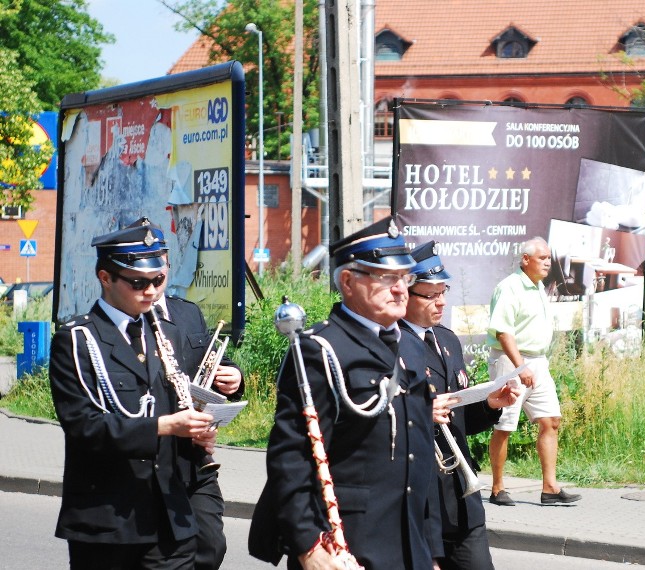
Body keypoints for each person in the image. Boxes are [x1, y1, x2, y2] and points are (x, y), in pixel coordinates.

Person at [249, 216, 442, 570]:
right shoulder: (320, 350)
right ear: (349, 282)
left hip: (407, 547)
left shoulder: (412, 348)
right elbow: (291, 458)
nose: (401, 289)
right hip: (345, 545)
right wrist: (309, 546)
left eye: (406, 278)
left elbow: (418, 459)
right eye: (388, 279)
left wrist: (428, 550)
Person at [49, 220, 216, 569]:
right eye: (138, 283)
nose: (151, 292)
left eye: (157, 280)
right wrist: (165, 426)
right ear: (106, 278)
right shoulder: (78, 340)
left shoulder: (165, 331)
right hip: (108, 521)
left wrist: (198, 430)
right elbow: (84, 427)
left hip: (171, 516)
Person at [400, 241, 519, 570]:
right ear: (404, 294)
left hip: (460, 496)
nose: (441, 302)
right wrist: (423, 412)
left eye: (444, 291)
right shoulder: (389, 344)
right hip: (422, 497)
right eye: (430, 295)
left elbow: (458, 419)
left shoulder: (447, 339)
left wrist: (490, 405)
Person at [152, 245, 244, 570]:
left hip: (195, 462)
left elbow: (212, 359)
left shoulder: (188, 312)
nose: (154, 275)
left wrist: (234, 377)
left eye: (160, 264)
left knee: (210, 545)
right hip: (154, 458)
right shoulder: (127, 325)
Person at [487, 237, 582, 507]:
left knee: (551, 420)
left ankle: (550, 488)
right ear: (525, 259)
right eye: (542, 258)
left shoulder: (538, 286)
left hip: (537, 361)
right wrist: (520, 367)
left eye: (549, 258)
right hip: (511, 360)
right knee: (504, 425)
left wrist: (531, 365)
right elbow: (503, 332)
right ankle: (497, 488)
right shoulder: (509, 287)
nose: (548, 263)